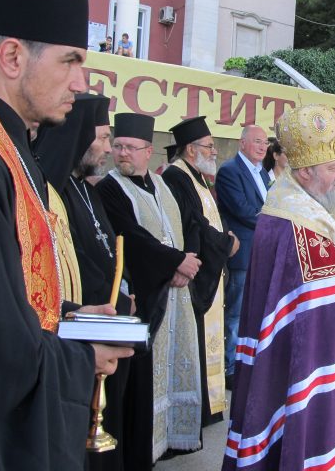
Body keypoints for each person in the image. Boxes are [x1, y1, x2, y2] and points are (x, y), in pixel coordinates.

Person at [0, 0, 132, 471]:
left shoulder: (2, 150)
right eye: (70, 60)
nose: (80, 84)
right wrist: (82, 356)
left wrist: (70, 317)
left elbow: (6, 295)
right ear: (12, 58)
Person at [222, 104, 335, 471]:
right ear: (304, 172)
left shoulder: (310, 205)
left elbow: (332, 260)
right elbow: (322, 284)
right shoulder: (291, 217)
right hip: (303, 351)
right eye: (331, 169)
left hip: (323, 343)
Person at [96, 113, 209, 469]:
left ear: (148, 152)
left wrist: (188, 259)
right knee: (144, 382)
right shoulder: (109, 188)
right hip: (147, 296)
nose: (122, 153)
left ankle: (169, 441)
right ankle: (143, 448)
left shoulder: (163, 184)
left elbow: (188, 224)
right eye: (118, 146)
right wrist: (175, 262)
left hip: (177, 291)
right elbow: (130, 236)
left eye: (130, 147)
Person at [33, 93, 135, 471]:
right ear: (79, 136)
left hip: (99, 321)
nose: (109, 148)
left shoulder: (84, 188)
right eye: (105, 138)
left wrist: (123, 295)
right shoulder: (54, 189)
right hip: (72, 334)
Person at [161, 116, 241, 424]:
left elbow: (210, 218)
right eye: (209, 147)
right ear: (191, 150)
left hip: (208, 269)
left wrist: (225, 237)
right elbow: (193, 224)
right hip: (192, 272)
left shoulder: (195, 176)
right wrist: (226, 243)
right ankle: (200, 410)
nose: (214, 152)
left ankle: (210, 405)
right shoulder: (176, 176)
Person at [214, 125, 271, 388]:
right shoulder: (229, 171)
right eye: (257, 141)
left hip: (263, 251)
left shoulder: (263, 174)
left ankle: (249, 362)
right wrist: (274, 224)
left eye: (265, 143)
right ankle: (230, 369)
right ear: (242, 143)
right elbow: (242, 210)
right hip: (243, 253)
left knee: (257, 311)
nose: (262, 146)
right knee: (236, 313)